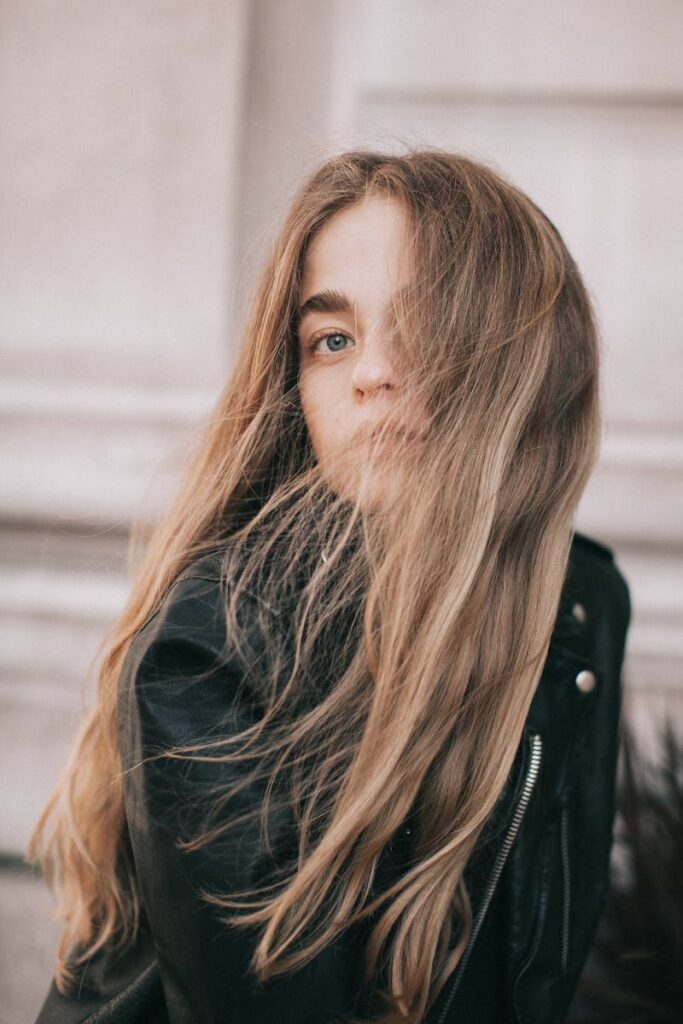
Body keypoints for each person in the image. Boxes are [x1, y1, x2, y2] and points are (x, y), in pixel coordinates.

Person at [28, 148, 631, 1024]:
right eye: (332, 339)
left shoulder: (580, 605)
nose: (369, 373)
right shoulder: (222, 639)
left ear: (525, 361)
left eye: (425, 325)